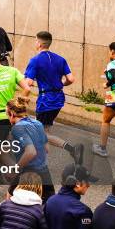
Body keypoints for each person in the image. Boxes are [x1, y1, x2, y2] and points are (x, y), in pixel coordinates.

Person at [24, 31, 82, 162]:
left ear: (39, 43)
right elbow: (71, 79)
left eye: (35, 41)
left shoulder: (35, 60)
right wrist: (61, 83)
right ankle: (41, 160)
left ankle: (72, 149)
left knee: (41, 133)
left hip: (45, 100)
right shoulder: (60, 59)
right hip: (59, 98)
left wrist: (21, 99)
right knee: (45, 131)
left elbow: (28, 83)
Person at [7, 96, 55, 203]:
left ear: (11, 114)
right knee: (50, 201)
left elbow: (31, 152)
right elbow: (47, 148)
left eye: (7, 114)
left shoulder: (18, 128)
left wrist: (16, 169)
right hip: (43, 170)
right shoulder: (37, 123)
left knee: (11, 197)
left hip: (27, 170)